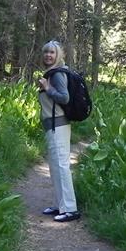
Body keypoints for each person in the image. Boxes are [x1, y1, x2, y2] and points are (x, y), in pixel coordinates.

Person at [37, 40, 81, 222]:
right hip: (52, 125)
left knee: (61, 165)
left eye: (52, 53)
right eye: (46, 52)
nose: (48, 55)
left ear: (58, 55)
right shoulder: (50, 73)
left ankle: (70, 209)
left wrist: (48, 89)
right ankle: (60, 205)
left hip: (59, 125)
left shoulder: (56, 75)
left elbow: (64, 97)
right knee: (55, 166)